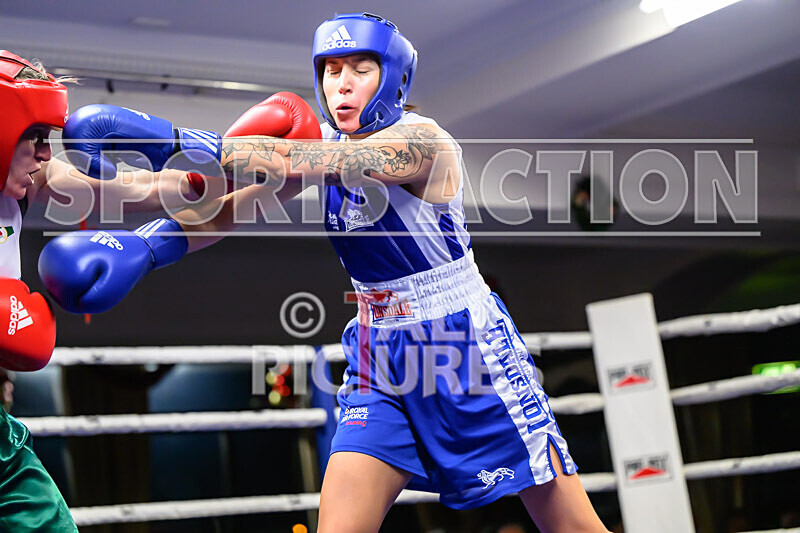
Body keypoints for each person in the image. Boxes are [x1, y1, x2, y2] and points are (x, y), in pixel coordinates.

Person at [39, 13, 610, 533]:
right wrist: (144, 248)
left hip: (462, 348)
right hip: (378, 352)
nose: (342, 83)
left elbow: (336, 163)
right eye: (331, 70)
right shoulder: (321, 145)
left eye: (361, 69)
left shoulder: (423, 142)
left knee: (568, 527)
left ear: (395, 79)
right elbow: (228, 208)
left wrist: (183, 141)